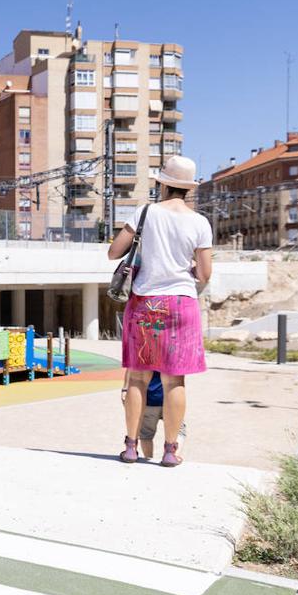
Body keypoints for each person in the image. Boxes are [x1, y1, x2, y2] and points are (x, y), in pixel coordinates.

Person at [108, 155, 212, 467]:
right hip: (181, 303)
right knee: (174, 381)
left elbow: (114, 252)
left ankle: (130, 447)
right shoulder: (199, 222)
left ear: (162, 183)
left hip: (145, 302)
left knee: (138, 378)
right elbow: (205, 274)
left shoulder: (145, 212)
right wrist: (186, 267)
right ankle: (170, 450)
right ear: (188, 188)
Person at [122, 370, 187, 459]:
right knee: (180, 431)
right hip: (170, 402)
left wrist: (125, 389)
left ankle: (142, 454)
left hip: (148, 401)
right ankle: (171, 454)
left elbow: (130, 369)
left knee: (146, 435)